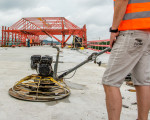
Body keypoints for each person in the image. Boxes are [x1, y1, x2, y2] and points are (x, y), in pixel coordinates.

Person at [102, 0, 150, 120]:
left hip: (131, 31)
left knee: (110, 81)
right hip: (147, 34)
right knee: (143, 81)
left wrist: (114, 29)